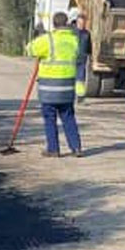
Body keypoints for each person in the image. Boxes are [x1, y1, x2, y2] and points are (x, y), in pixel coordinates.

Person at [25, 12, 83, 158]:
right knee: (68, 117)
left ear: (54, 24)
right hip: (67, 88)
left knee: (50, 118)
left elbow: (30, 49)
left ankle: (53, 149)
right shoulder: (74, 40)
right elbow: (78, 57)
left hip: (49, 89)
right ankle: (76, 147)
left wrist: (38, 36)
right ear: (67, 23)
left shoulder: (47, 39)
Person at [68, 8, 92, 103]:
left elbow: (89, 46)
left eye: (84, 23)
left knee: (80, 78)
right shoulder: (71, 32)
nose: (82, 25)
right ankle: (70, 96)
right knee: (70, 78)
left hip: (82, 59)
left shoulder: (87, 33)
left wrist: (90, 55)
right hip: (71, 58)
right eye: (80, 23)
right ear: (77, 22)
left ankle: (80, 97)